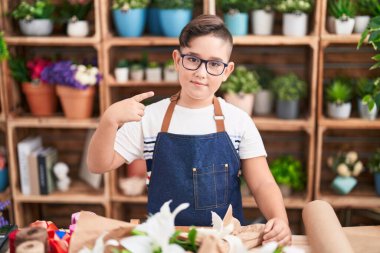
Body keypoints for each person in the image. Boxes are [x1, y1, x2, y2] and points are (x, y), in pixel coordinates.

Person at [87, 14, 292, 246]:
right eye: (193, 59)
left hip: (222, 243)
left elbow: (262, 183)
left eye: (214, 64)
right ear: (177, 59)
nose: (201, 72)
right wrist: (108, 121)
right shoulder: (150, 118)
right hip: (164, 242)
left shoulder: (238, 121)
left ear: (227, 71)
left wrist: (279, 219)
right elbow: (98, 165)